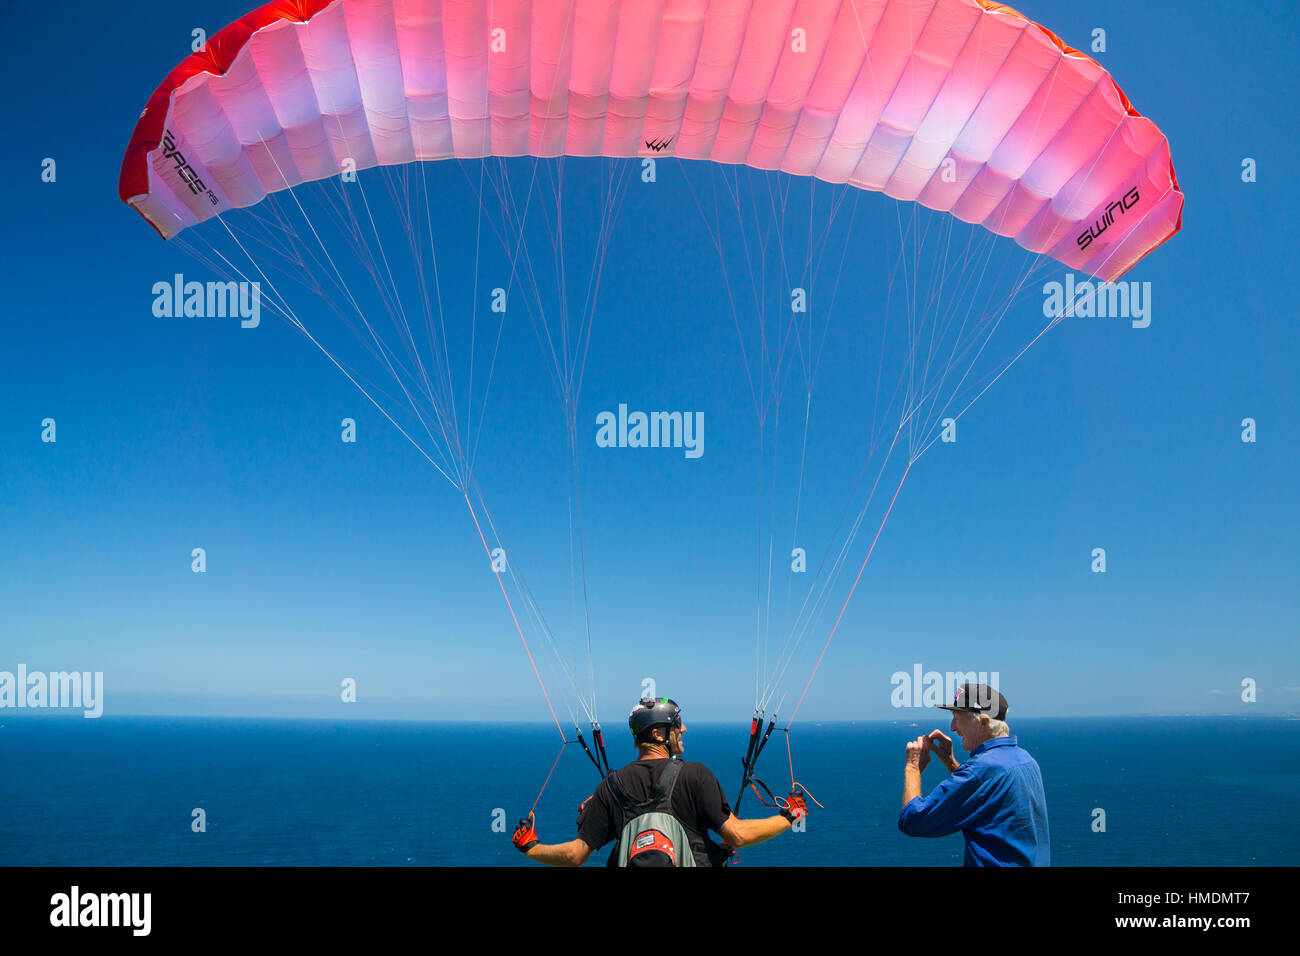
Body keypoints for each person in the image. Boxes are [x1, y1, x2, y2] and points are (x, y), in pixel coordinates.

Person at [512, 696, 807, 866]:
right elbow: (737, 836)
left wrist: (531, 846)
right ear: (658, 734)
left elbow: (576, 855)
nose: (684, 728)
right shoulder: (695, 775)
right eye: (677, 723)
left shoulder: (610, 787)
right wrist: (789, 817)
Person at [898, 683, 1050, 866]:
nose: (953, 727)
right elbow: (985, 793)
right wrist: (952, 763)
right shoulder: (1025, 760)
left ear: (983, 722)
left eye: (957, 717)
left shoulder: (981, 770)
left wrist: (912, 767)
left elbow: (913, 820)